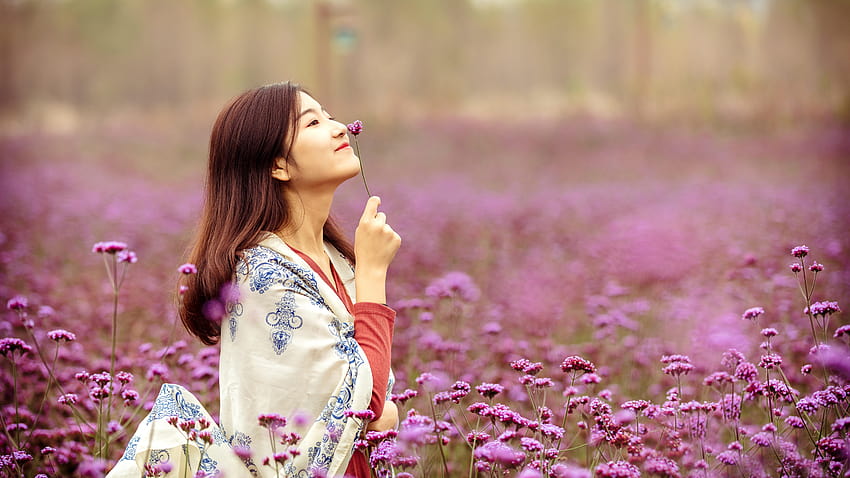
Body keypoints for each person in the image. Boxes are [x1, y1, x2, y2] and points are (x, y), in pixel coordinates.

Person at [107, 82, 401, 477]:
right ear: (277, 165)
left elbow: (369, 399)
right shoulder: (262, 278)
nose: (339, 128)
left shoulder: (336, 262)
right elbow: (362, 408)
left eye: (330, 116)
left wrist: (381, 412)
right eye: (313, 122)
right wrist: (373, 274)